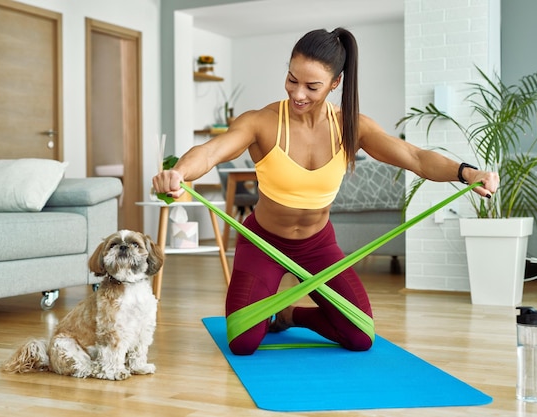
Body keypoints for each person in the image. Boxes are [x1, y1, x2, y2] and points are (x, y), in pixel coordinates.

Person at [152, 27, 499, 355]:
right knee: (243, 343)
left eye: (312, 86)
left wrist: (466, 172)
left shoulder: (352, 127)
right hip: (263, 242)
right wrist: (179, 172)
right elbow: (212, 151)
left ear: (335, 83)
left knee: (360, 336)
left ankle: (289, 315)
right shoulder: (261, 122)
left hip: (318, 245)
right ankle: (271, 312)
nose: (297, 93)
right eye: (291, 79)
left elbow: (416, 158)